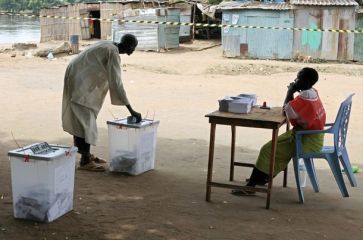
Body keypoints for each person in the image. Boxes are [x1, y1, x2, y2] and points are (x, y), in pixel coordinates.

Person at [232, 67, 326, 195]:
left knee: (267, 149)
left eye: (298, 78)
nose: (295, 80)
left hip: (305, 141)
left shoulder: (304, 98)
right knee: (275, 145)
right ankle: (262, 177)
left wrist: (290, 91)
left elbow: (286, 110)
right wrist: (294, 92)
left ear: (307, 81)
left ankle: (251, 186)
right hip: (310, 135)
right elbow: (293, 109)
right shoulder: (312, 92)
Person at [62, 34, 142, 172]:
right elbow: (116, 83)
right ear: (128, 46)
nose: (133, 50)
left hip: (77, 75)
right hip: (80, 81)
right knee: (86, 122)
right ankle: (85, 161)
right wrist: (131, 110)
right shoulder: (113, 52)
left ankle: (86, 155)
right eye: (133, 47)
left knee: (82, 119)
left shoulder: (108, 44)